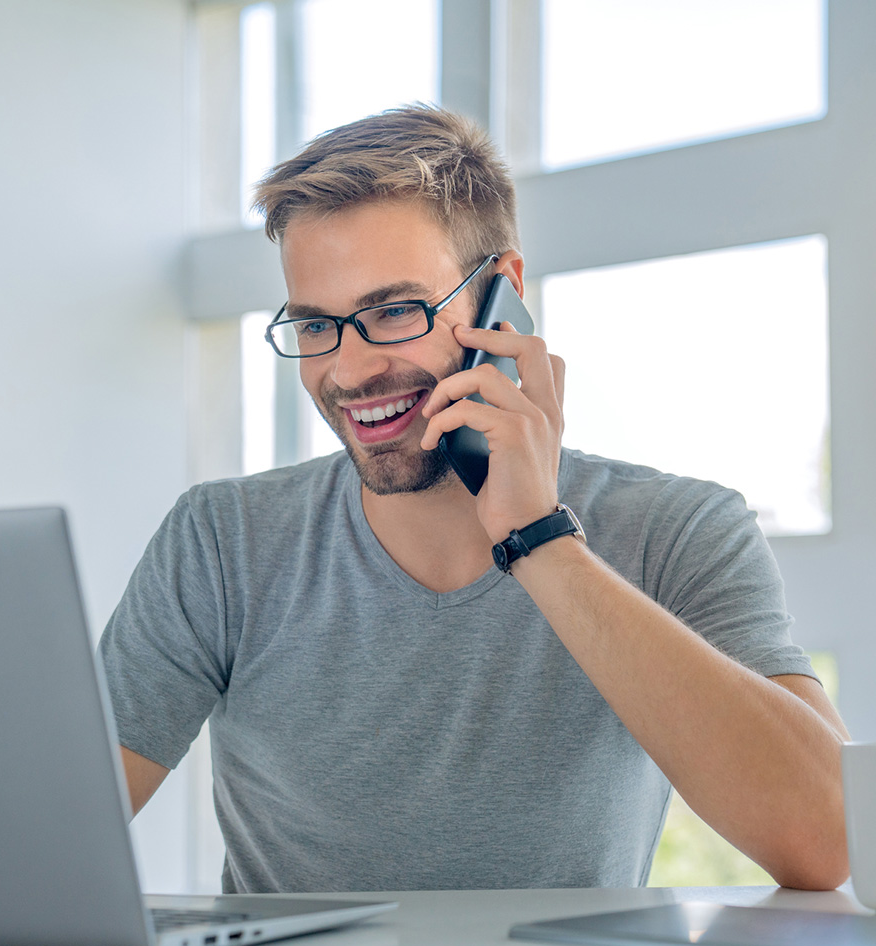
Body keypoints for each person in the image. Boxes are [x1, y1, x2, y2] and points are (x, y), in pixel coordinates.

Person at [102, 105, 849, 894]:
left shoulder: (676, 530)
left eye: (395, 311)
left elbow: (829, 837)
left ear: (504, 292)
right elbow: (54, 829)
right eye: (317, 326)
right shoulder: (223, 542)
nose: (349, 372)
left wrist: (540, 539)